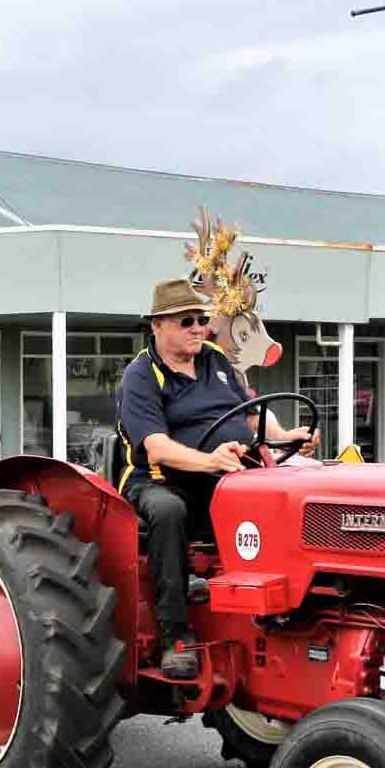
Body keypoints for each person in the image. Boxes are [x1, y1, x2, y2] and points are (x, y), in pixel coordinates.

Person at [117, 279, 313, 679]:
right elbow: (156, 447)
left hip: (227, 473)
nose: (197, 327)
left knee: (288, 495)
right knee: (168, 510)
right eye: (186, 320)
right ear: (157, 325)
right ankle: (175, 636)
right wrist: (210, 461)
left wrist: (285, 436)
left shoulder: (214, 359)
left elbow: (251, 414)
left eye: (202, 319)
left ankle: (287, 609)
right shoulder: (140, 375)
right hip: (162, 481)